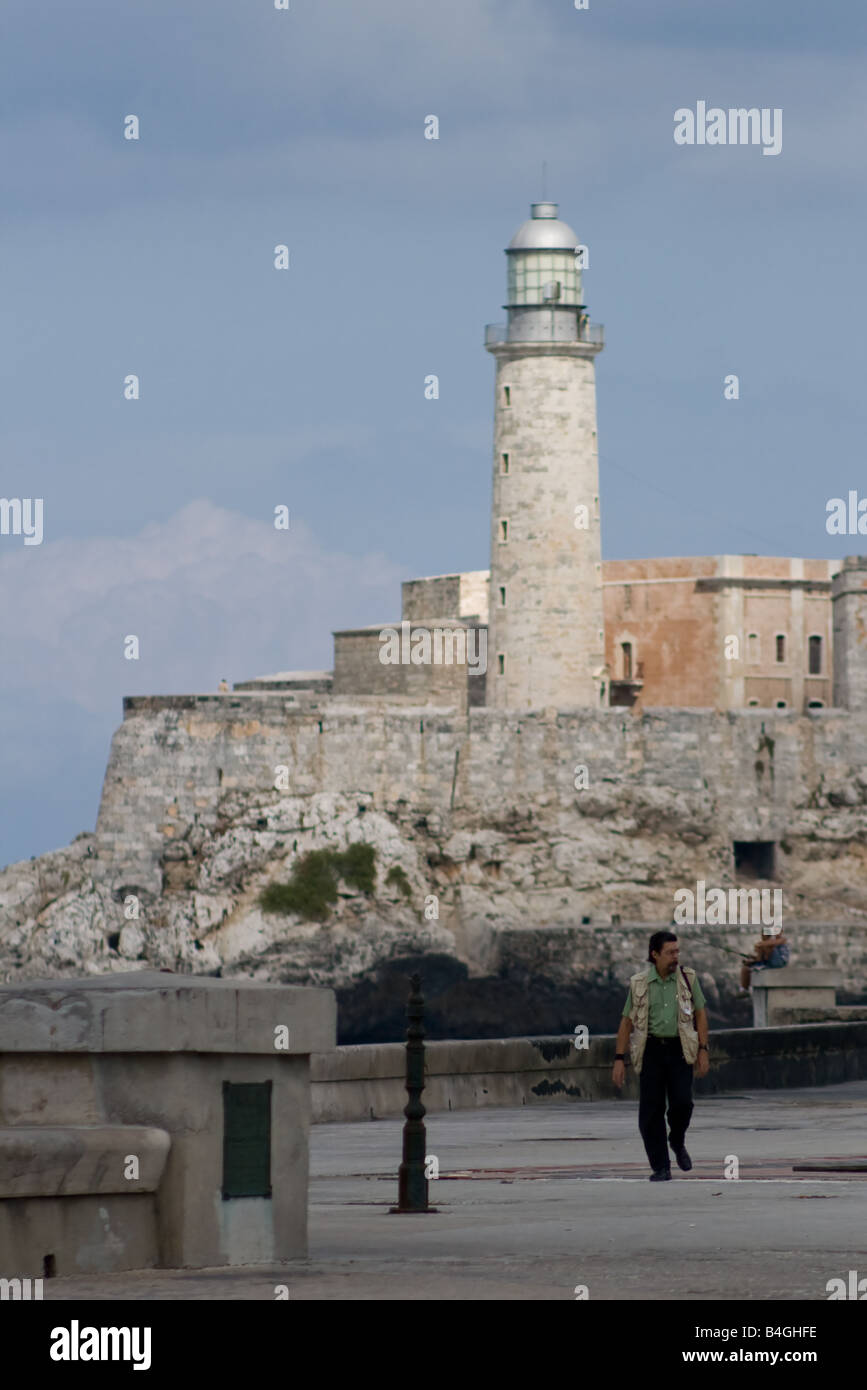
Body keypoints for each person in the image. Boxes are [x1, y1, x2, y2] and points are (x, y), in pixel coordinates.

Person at [611, 931, 710, 1181]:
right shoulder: (639, 983)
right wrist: (619, 1059)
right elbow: (626, 1023)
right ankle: (661, 1167)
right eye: (670, 952)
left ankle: (676, 1140)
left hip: (680, 1049)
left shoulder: (688, 979)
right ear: (655, 955)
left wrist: (703, 1049)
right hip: (651, 1050)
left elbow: (700, 1014)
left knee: (683, 1103)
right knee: (651, 1111)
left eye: (677, 951)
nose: (676, 957)